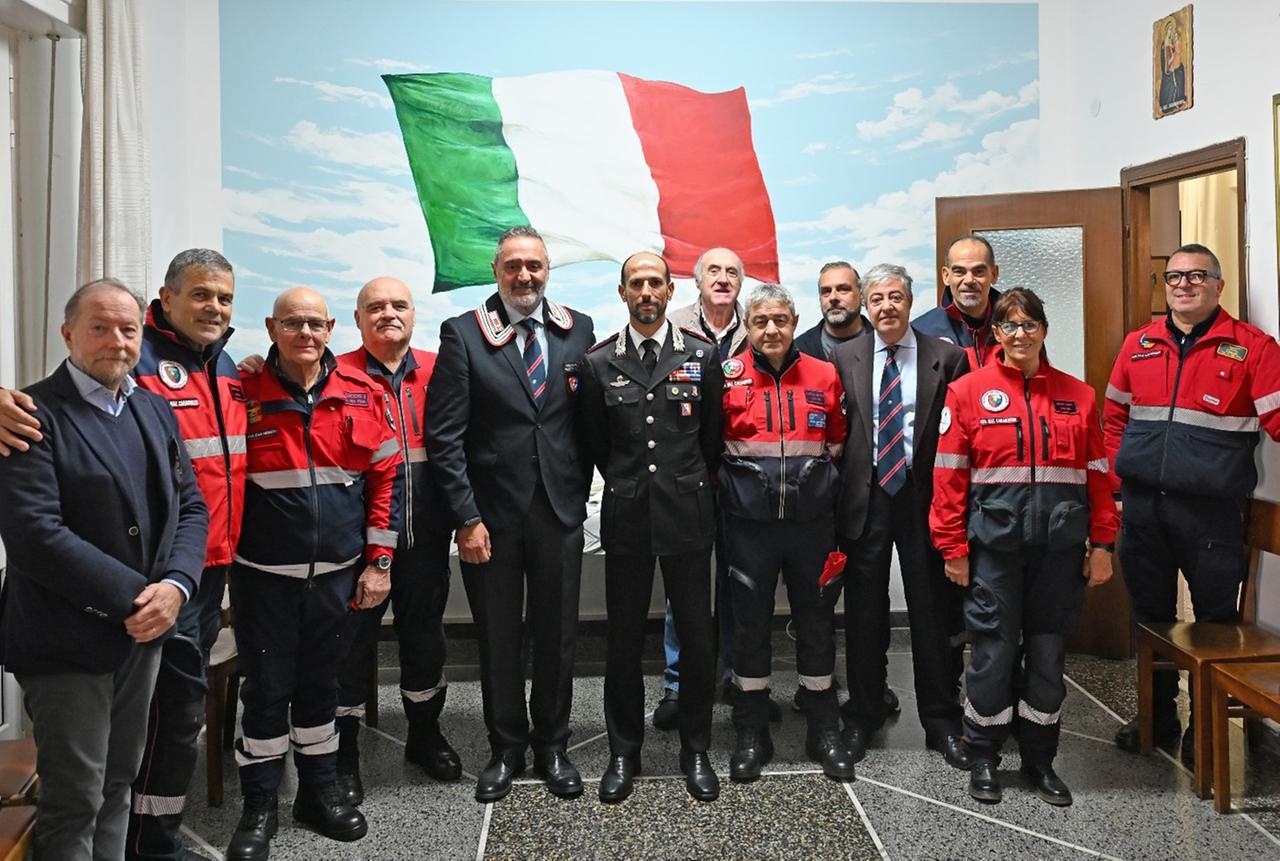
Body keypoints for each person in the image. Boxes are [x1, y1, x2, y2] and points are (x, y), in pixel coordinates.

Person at [0, 250, 245, 861]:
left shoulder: (149, 406)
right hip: (69, 640)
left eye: (127, 329)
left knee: (118, 783)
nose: (116, 340)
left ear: (143, 333)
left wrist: (177, 588)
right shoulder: (31, 413)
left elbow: (191, 507)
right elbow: (35, 533)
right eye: (100, 327)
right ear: (68, 334)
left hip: (144, 634)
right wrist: (142, 597)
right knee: (75, 797)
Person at [226, 287, 401, 860]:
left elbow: (385, 485)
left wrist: (378, 564)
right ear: (272, 327)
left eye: (314, 324)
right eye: (292, 323)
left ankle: (319, 793)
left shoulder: (360, 393)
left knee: (323, 687)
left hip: (338, 576)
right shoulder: (242, 392)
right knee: (267, 691)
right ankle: (260, 804)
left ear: (330, 328)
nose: (304, 333)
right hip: (263, 578)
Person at [426, 225, 595, 803]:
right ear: (497, 271)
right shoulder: (464, 334)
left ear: (548, 271)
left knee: (558, 635)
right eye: (514, 266)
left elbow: (584, 422)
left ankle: (552, 744)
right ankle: (506, 747)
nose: (525, 276)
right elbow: (445, 437)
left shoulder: (578, 332)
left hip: (558, 511)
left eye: (536, 266)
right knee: (498, 635)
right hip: (489, 519)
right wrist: (466, 518)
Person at [931, 287, 1118, 807]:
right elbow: (948, 477)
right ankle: (984, 756)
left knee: (1047, 655)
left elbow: (1098, 474)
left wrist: (1102, 542)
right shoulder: (968, 392)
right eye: (1009, 326)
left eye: (1029, 325)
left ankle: (1040, 759)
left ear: (1043, 330)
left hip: (1059, 552)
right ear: (996, 334)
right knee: (991, 653)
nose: (1020, 334)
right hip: (993, 550)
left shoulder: (1078, 395)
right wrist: (952, 548)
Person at [1105, 243, 1280, 763]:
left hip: (1212, 513)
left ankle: (1204, 727)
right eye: (1175, 277)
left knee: (1215, 623)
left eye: (1197, 275)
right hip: (1142, 508)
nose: (1184, 284)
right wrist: (1116, 489)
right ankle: (1155, 715)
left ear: (1218, 285)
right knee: (1150, 618)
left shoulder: (1253, 348)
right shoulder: (1138, 345)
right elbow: (1113, 421)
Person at [579, 251, 723, 803]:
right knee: (622, 640)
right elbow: (598, 444)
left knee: (695, 635)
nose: (646, 291)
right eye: (635, 283)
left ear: (669, 291)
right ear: (622, 293)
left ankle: (696, 749)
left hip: (687, 515)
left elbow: (709, 440)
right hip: (628, 516)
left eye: (655, 283)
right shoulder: (598, 364)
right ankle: (623, 751)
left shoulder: (701, 357)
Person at [830, 264, 969, 768]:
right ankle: (863, 713)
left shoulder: (947, 357)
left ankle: (941, 720)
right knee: (864, 612)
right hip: (866, 496)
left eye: (895, 297)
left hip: (923, 496)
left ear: (911, 303)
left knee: (930, 610)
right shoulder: (844, 356)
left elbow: (960, 435)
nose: (886, 306)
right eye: (877, 298)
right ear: (865, 304)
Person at [719, 283, 855, 783]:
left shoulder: (824, 373)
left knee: (817, 625)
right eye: (760, 321)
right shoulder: (727, 376)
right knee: (750, 629)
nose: (771, 329)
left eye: (780, 320)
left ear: (794, 322)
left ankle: (824, 729)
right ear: (748, 327)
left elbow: (837, 446)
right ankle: (752, 731)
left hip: (811, 528)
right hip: (749, 529)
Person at [333, 277, 460, 803]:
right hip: (354, 549)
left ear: (414, 315)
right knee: (348, 651)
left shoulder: (440, 370)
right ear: (359, 319)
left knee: (425, 641)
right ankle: (342, 757)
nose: (388, 313)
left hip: (426, 540)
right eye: (376, 307)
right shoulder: (334, 373)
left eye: (399, 305)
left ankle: (425, 738)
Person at [660, 247, 766, 729]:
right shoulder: (673, 325)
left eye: (732, 272)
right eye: (714, 272)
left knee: (738, 580)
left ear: (741, 283)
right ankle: (677, 684)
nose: (723, 279)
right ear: (697, 282)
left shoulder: (760, 327)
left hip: (744, 476)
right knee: (683, 585)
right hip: (686, 475)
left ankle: (733, 674)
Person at [915, 236, 1003, 370]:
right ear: (946, 276)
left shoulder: (1018, 327)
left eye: (979, 271)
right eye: (959, 272)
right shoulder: (921, 333)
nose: (969, 280)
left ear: (994, 274)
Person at [795, 261, 872, 360]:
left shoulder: (883, 341)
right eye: (826, 291)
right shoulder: (799, 350)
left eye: (843, 289)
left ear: (862, 296)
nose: (833, 297)